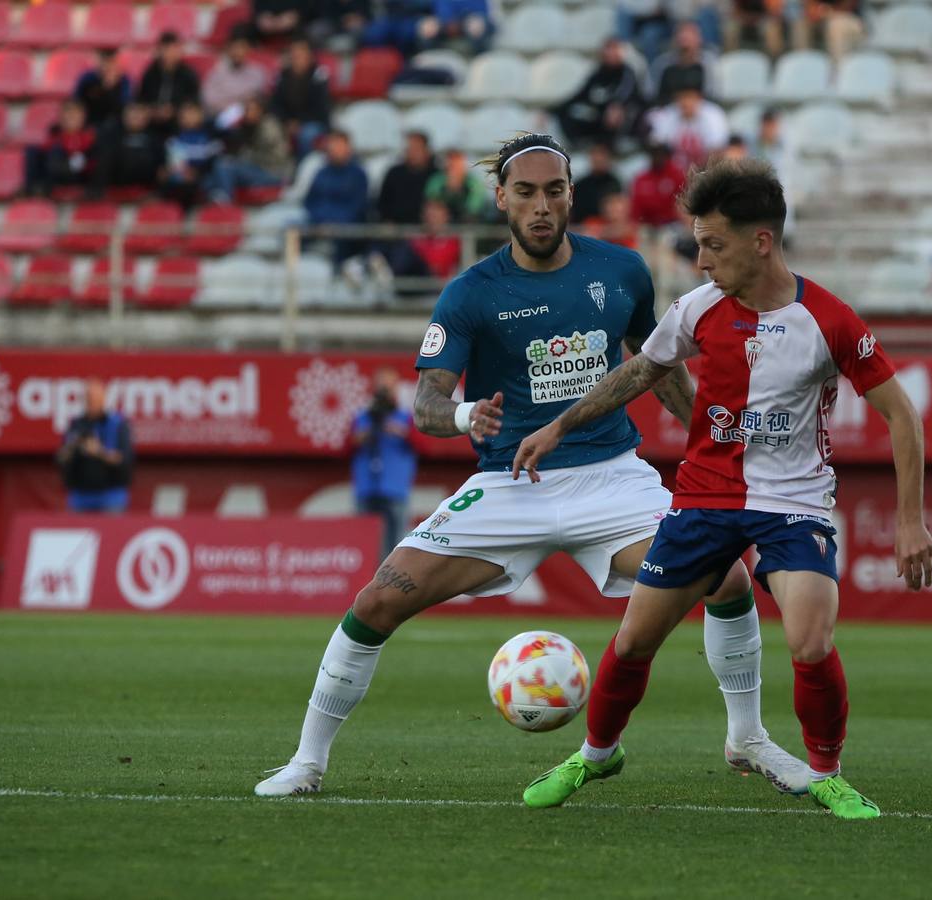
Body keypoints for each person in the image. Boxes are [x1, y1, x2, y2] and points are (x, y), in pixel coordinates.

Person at [254, 133, 808, 799]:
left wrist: (704, 442)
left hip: (610, 478)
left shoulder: (622, 271)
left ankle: (744, 736)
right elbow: (427, 401)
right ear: (501, 200)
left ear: (571, 196)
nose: (540, 206)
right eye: (525, 193)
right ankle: (307, 762)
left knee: (724, 575)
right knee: (377, 600)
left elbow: (652, 362)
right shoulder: (470, 293)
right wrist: (463, 417)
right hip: (508, 484)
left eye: (553, 191)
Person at [515, 157, 932, 817]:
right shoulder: (696, 309)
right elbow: (637, 374)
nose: (701, 260)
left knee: (809, 640)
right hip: (703, 501)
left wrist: (909, 521)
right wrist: (558, 426)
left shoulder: (829, 320)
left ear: (759, 242)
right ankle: (596, 755)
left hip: (792, 506)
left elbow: (901, 415)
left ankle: (824, 771)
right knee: (632, 641)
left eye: (713, 244)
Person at [350, 367, 418, 561]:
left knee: (396, 547)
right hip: (366, 490)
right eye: (381, 388)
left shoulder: (405, 418)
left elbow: (425, 445)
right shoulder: (362, 417)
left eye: (388, 388)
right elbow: (345, 447)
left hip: (395, 491)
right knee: (365, 546)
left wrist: (402, 432)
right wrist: (362, 436)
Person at [57, 378, 135, 514]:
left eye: (94, 398)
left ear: (103, 399)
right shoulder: (76, 424)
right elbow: (61, 458)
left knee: (112, 532)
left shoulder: (117, 424)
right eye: (88, 398)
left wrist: (98, 452)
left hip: (111, 495)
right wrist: (73, 445)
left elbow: (124, 459)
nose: (91, 402)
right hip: (80, 495)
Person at [304, 129, 373, 278]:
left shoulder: (358, 175)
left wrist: (334, 224)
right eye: (332, 145)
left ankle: (338, 275)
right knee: (293, 229)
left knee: (346, 237)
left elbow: (358, 207)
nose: (335, 149)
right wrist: (321, 221)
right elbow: (310, 202)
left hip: (346, 228)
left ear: (348, 148)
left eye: (339, 145)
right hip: (319, 224)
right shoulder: (321, 173)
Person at [555, 38, 646, 150]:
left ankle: (615, 146)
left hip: (621, 117)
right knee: (567, 113)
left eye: (615, 49)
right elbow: (579, 95)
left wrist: (618, 105)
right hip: (599, 116)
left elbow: (627, 94)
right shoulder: (598, 73)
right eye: (608, 49)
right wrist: (551, 111)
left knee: (615, 114)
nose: (611, 53)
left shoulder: (627, 73)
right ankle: (580, 144)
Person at [206, 94, 293, 204]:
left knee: (224, 165)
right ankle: (217, 201)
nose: (249, 113)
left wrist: (246, 156)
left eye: (253, 110)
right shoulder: (247, 126)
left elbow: (279, 157)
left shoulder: (269, 127)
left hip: (274, 173)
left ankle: (226, 203)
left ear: (262, 110)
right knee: (211, 179)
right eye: (247, 110)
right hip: (257, 169)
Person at [271, 36, 332, 159]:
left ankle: (302, 170)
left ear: (310, 56)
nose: (297, 56)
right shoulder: (283, 76)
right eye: (294, 53)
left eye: (301, 52)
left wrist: (300, 123)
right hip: (287, 122)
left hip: (314, 122)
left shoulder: (319, 76)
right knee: (269, 128)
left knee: (306, 135)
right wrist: (287, 121)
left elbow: (321, 109)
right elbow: (275, 105)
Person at [646, 85, 730, 171]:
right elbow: (656, 145)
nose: (685, 102)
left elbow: (717, 149)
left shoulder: (713, 114)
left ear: (698, 98)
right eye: (681, 98)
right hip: (675, 173)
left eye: (689, 97)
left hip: (705, 171)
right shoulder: (668, 115)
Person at [24, 100, 96, 197]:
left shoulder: (89, 136)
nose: (70, 118)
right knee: (33, 151)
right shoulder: (55, 136)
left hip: (79, 176)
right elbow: (43, 152)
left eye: (74, 114)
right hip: (55, 174)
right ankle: (31, 189)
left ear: (83, 117)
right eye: (67, 114)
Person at [90, 101, 164, 196]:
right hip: (113, 191)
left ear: (147, 117)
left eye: (139, 113)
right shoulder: (111, 135)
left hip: (146, 192)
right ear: (124, 115)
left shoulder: (155, 139)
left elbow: (161, 169)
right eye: (132, 112)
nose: (135, 117)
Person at [138, 32, 202, 139]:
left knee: (190, 117)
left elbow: (193, 99)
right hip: (152, 119)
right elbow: (142, 97)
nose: (170, 54)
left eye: (174, 49)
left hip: (177, 119)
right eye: (166, 49)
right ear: (159, 50)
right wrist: (152, 110)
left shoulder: (188, 74)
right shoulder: (150, 73)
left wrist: (174, 109)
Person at [163, 100, 224, 208]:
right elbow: (175, 162)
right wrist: (183, 171)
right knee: (175, 179)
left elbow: (214, 160)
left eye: (193, 113)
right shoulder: (174, 139)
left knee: (214, 180)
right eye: (185, 114)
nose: (189, 117)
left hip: (204, 176)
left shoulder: (210, 137)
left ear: (201, 115)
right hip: (182, 177)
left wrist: (197, 172)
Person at [649, 19, 720, 104]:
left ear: (699, 40)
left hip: (702, 108)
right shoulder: (662, 64)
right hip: (669, 109)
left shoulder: (709, 62)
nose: (684, 40)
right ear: (674, 40)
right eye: (681, 37)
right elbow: (652, 94)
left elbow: (712, 94)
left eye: (689, 37)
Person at [203, 30, 269, 120]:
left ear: (248, 49)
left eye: (242, 47)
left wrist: (234, 101)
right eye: (234, 47)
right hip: (221, 117)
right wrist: (237, 103)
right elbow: (209, 101)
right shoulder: (217, 73)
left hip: (251, 118)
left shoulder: (257, 73)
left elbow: (258, 98)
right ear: (228, 49)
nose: (237, 52)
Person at [378, 130, 437, 226]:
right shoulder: (394, 173)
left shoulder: (436, 176)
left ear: (426, 150)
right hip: (397, 232)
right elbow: (383, 204)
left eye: (417, 149)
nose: (412, 153)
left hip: (427, 232)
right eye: (409, 149)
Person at [424, 147, 490, 223]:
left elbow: (474, 209)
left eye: (457, 164)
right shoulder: (436, 181)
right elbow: (431, 205)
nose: (453, 169)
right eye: (451, 164)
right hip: (441, 224)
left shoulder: (474, 184)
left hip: (467, 223)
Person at [630, 143, 686, 227]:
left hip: (673, 223)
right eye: (654, 154)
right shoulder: (641, 179)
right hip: (647, 225)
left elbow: (683, 204)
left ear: (667, 156)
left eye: (661, 154)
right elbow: (636, 207)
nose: (658, 157)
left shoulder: (678, 176)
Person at [74, 48, 131, 129]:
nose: (107, 67)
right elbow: (78, 101)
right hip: (89, 122)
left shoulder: (124, 80)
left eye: (110, 62)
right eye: (104, 62)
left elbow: (124, 108)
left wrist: (110, 89)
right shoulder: (87, 78)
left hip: (115, 124)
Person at [571, 141, 624, 225]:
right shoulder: (580, 185)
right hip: (583, 228)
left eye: (602, 154)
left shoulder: (615, 182)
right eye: (595, 154)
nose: (598, 158)